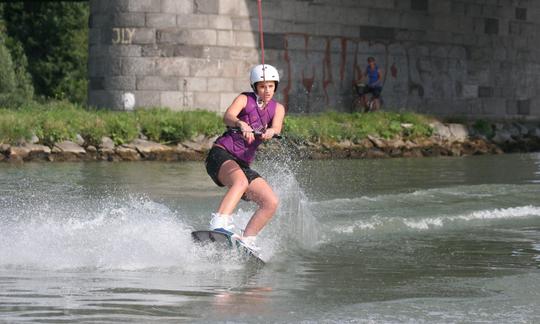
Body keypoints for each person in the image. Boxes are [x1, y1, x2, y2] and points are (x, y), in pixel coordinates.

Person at [205, 64, 286, 251]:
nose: (267, 91)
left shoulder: (277, 108)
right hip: (220, 154)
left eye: (271, 86)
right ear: (255, 87)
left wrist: (271, 132)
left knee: (270, 202)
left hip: (242, 164)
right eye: (263, 86)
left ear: (275, 86)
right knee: (240, 182)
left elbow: (277, 128)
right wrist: (241, 123)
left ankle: (247, 240)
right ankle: (219, 223)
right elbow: (228, 116)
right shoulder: (244, 99)